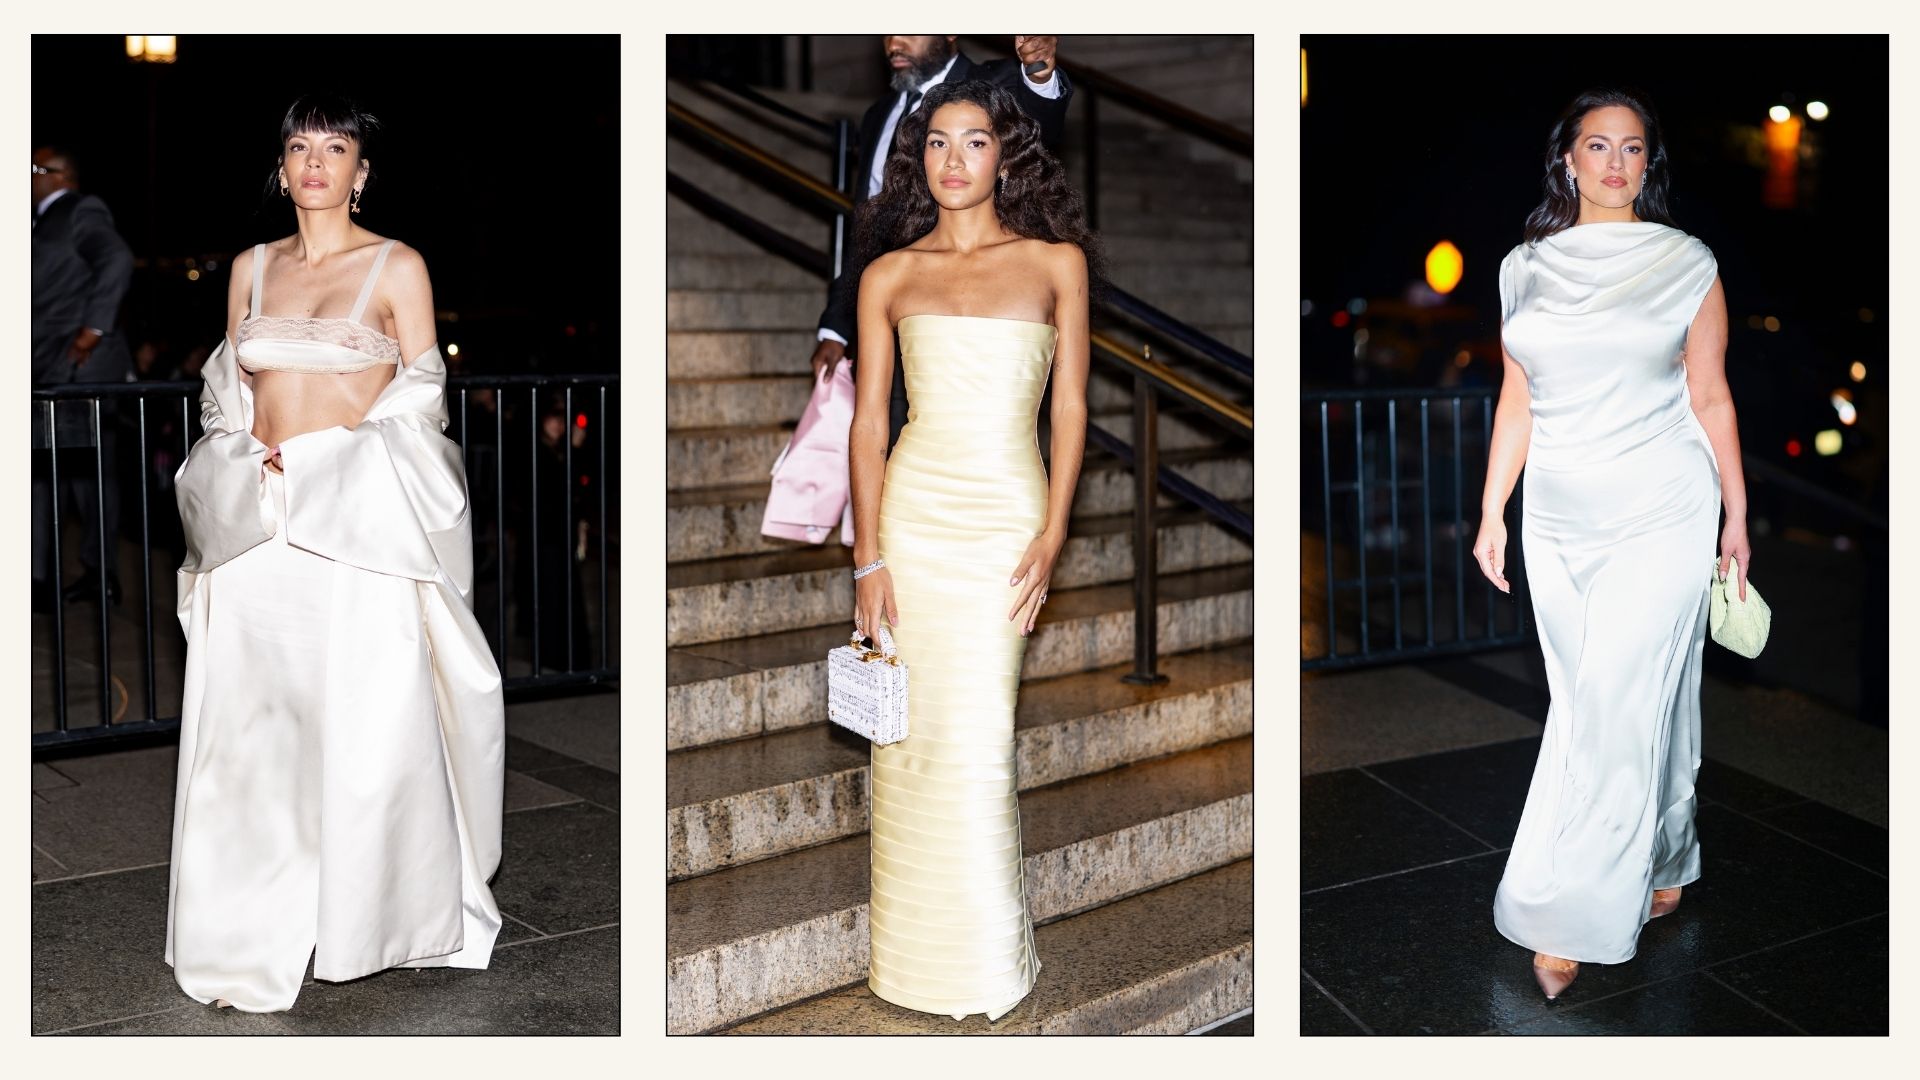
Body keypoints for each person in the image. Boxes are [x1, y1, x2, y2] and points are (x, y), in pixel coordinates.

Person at [165, 94, 505, 1013]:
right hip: (260, 529)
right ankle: (246, 931)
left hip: (352, 528)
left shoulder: (397, 266)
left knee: (361, 733)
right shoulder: (247, 268)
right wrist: (241, 454)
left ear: (362, 172)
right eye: (300, 147)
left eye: (337, 147)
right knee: (253, 738)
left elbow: (419, 399)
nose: (316, 161)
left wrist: (335, 457)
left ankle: (366, 917)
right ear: (280, 169)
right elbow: (224, 392)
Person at [1473, 88, 1750, 1001]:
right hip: (1557, 515)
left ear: (1647, 164)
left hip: (1662, 504)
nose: (1615, 163)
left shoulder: (1687, 262)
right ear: (1568, 160)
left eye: (1632, 149)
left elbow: (1710, 396)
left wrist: (1736, 517)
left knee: (1607, 707)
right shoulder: (1523, 269)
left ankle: (1571, 916)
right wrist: (1491, 512)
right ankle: (1669, 845)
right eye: (1598, 146)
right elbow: (1518, 400)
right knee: (1621, 699)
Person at [847, 79, 1099, 1022]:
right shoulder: (888, 275)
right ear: (920, 159)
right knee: (910, 745)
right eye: (938, 143)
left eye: (976, 141)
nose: (955, 160)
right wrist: (868, 557)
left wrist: (1055, 526)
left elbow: (1070, 405)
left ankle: (987, 960)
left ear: (1006, 155)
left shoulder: (1055, 264)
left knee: (982, 739)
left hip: (1003, 515)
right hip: (912, 517)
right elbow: (868, 426)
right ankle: (912, 962)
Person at [812, 36, 1072, 447]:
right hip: (888, 307)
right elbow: (866, 228)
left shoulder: (996, 82)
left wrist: (1038, 71)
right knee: (885, 443)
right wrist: (836, 326)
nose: (894, 41)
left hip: (969, 313)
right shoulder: (880, 113)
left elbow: (1041, 121)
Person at [31, 145, 134, 609]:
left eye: (35, 169)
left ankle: (97, 574)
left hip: (81, 363)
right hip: (49, 362)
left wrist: (92, 331)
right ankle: (47, 574)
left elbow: (116, 258)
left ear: (60, 176)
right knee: (55, 472)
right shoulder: (37, 220)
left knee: (86, 473)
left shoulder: (79, 209)